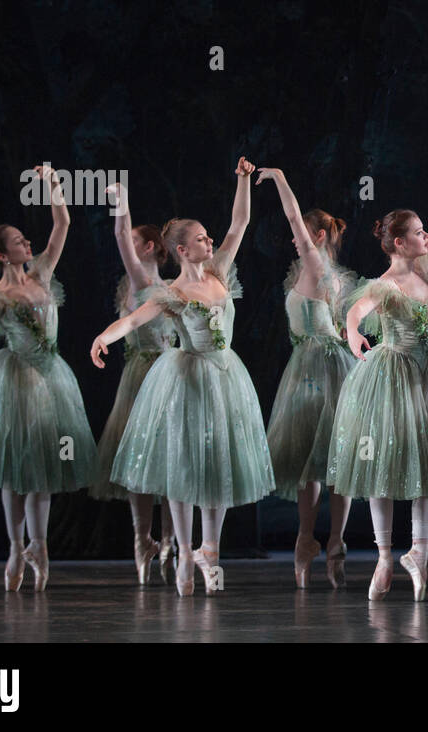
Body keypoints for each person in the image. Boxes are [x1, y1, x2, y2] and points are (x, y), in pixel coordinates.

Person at [93, 157, 276, 596]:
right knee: (182, 467)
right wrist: (104, 335)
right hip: (186, 376)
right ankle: (182, 560)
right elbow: (135, 320)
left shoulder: (219, 273)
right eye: (199, 238)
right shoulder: (171, 293)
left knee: (219, 463)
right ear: (180, 251)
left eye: (207, 236)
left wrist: (243, 181)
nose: (209, 240)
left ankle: (209, 550)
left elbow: (241, 222)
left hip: (225, 375)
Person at [0, 165, 100, 592]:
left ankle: (39, 545)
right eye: (18, 241)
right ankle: (15, 547)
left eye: (26, 239)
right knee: (16, 470)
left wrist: (51, 182)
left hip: (51, 380)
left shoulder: (43, 273)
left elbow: (62, 222)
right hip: (14, 381)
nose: (27, 243)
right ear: (1, 256)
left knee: (45, 467)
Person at [328, 152, 428, 602]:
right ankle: (383, 554)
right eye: (416, 232)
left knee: (427, 463)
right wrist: (353, 334)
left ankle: (419, 553)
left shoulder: (426, 269)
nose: (425, 236)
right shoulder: (386, 284)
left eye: (422, 231)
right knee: (385, 464)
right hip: (391, 374)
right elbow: (355, 311)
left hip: (425, 376)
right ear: (396, 242)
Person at [257, 167, 358, 589]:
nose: (294, 238)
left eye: (302, 234)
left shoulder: (317, 263)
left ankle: (323, 541)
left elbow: (294, 217)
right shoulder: (315, 268)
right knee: (312, 459)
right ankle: (319, 541)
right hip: (313, 364)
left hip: (321, 364)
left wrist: (282, 179)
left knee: (329, 460)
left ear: (316, 237)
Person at [90, 183, 179, 585]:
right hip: (142, 377)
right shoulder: (140, 283)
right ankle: (143, 540)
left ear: (150, 248)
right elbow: (120, 236)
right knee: (141, 461)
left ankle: (169, 540)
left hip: (172, 375)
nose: (132, 246)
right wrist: (122, 199)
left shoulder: (172, 287)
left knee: (171, 461)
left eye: (139, 242)